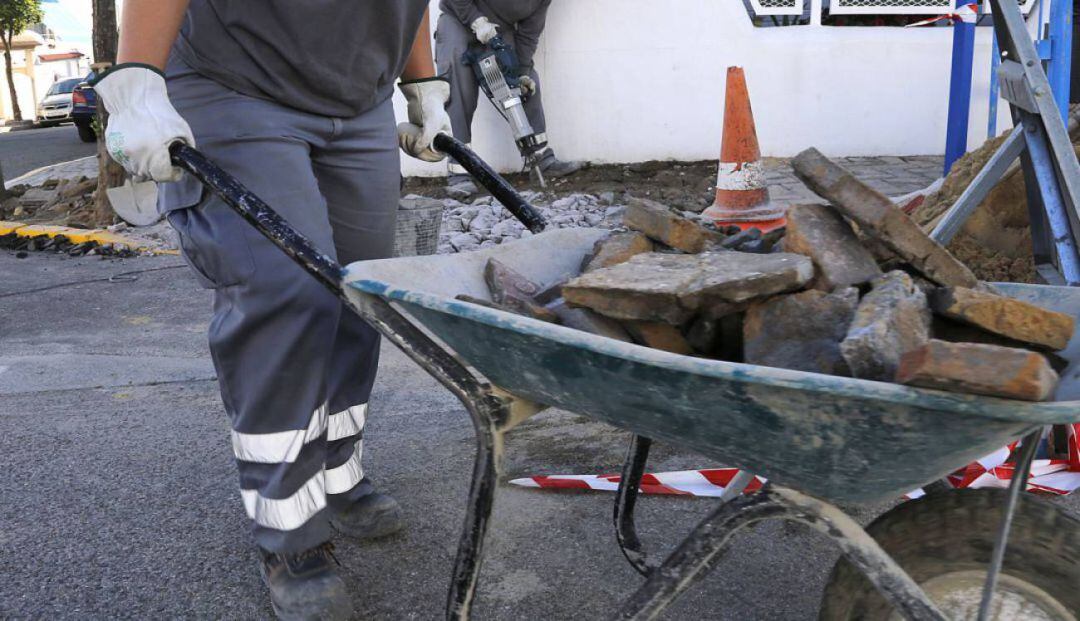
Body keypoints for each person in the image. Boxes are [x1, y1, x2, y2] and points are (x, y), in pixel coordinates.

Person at [91, 1, 452, 618]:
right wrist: (136, 83)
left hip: (357, 98)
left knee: (360, 293)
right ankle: (290, 530)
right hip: (237, 83)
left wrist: (421, 80)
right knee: (287, 293)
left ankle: (338, 469)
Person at [437, 0, 582, 195]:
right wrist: (476, 21)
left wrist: (521, 71)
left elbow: (528, 35)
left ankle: (540, 159)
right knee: (459, 92)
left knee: (525, 83)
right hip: (457, 21)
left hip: (499, 29)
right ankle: (459, 173)